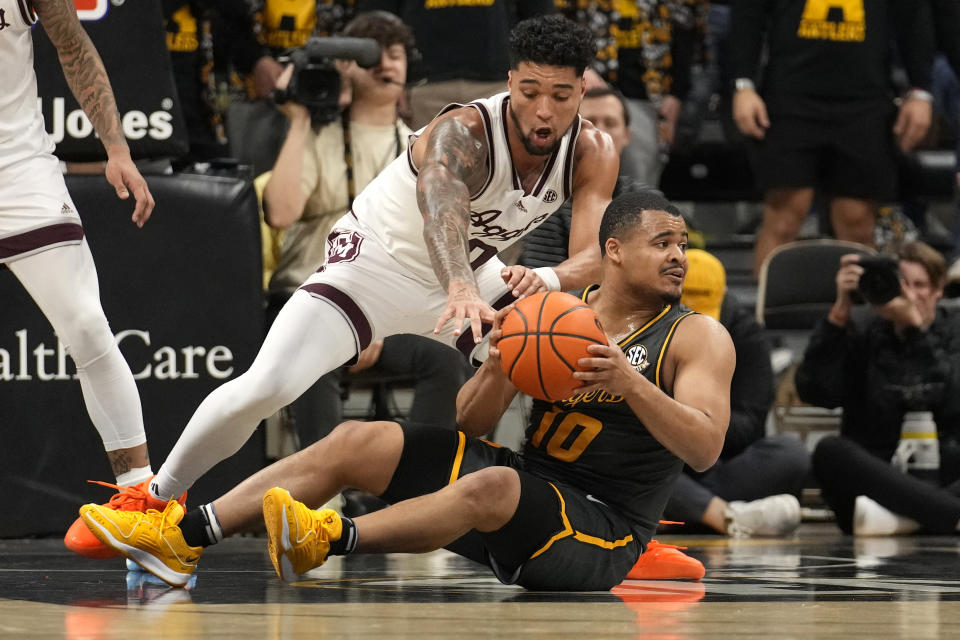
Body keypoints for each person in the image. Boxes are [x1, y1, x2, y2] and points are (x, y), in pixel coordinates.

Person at [71, 15, 620, 560]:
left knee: (582, 361)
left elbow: (594, 256)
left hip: (472, 273)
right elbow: (442, 209)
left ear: (583, 88)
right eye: (529, 92)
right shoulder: (465, 130)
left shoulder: (592, 149)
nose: (543, 110)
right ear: (508, 82)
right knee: (268, 386)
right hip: (375, 264)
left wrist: (543, 280)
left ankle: (608, 517)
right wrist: (458, 285)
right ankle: (153, 501)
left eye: (560, 95)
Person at [79, 191, 736, 590]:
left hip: (604, 534)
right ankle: (183, 537)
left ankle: (331, 538)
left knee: (495, 486)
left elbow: (705, 450)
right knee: (358, 440)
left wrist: (628, 382)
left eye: (682, 243)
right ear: (614, 251)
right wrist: (504, 365)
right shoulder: (559, 311)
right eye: (663, 242)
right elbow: (469, 427)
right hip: (533, 493)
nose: (679, 255)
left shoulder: (696, 337)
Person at [261, 11, 470, 452]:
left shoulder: (424, 147)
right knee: (311, 356)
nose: (385, 62)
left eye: (395, 53)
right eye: (370, 54)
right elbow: (280, 213)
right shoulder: (317, 136)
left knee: (449, 358)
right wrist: (299, 120)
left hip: (389, 304)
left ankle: (413, 490)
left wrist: (374, 322)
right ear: (345, 66)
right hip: (310, 294)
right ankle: (324, 503)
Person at [0, 0, 157, 556]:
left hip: (15, 170)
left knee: (88, 326)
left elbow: (73, 44)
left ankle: (143, 503)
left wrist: (115, 146)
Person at [731, 0, 934, 277]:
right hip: (790, 97)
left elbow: (914, 21)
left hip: (865, 101)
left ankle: (859, 317)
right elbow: (747, 16)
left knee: (858, 223)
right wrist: (743, 85)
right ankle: (763, 316)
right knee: (784, 217)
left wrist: (921, 91)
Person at [795, 241, 960, 535]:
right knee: (829, 451)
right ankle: (946, 517)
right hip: (874, 474)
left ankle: (904, 521)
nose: (908, 294)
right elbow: (817, 392)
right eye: (900, 283)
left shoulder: (954, 329)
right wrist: (839, 312)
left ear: (938, 291)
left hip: (944, 470)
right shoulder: (861, 328)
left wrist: (916, 332)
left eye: (919, 285)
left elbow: (950, 403)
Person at [665, 249, 808, 538]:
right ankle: (723, 515)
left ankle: (680, 508)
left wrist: (700, 425)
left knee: (791, 454)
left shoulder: (746, 334)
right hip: (662, 456)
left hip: (718, 458)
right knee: (629, 459)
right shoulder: (647, 325)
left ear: (723, 297)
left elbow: (751, 425)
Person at [558, 0, 707, 188]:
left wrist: (677, 93)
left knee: (638, 170)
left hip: (649, 97)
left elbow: (688, 33)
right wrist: (575, 68)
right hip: (582, 92)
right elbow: (548, 24)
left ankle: (637, 215)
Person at [358, 0, 556, 129]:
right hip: (424, 84)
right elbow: (378, 19)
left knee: (502, 175)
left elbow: (540, 16)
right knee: (425, 174)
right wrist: (393, 79)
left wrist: (540, 76)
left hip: (498, 80)